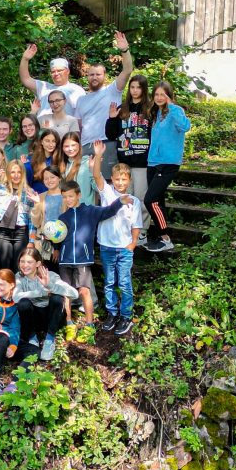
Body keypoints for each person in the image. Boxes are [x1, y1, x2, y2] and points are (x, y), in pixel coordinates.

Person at [54, 180, 133, 328]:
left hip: (83, 260)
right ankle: (69, 322)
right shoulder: (63, 218)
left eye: (70, 196)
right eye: (64, 197)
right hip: (65, 260)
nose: (68, 200)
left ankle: (89, 324)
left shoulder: (90, 211)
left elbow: (108, 211)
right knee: (66, 292)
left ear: (79, 195)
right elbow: (58, 237)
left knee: (84, 291)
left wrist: (120, 201)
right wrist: (55, 246)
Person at [92, 141, 143, 336]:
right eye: (117, 179)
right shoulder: (107, 194)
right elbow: (96, 175)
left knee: (124, 283)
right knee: (109, 282)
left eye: (124, 179)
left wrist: (133, 244)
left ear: (128, 180)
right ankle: (112, 313)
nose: (120, 183)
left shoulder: (134, 202)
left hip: (124, 248)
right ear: (112, 179)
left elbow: (136, 225)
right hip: (106, 247)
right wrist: (98, 155)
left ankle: (126, 316)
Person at [75, 32, 133, 174]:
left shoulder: (113, 90)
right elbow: (79, 127)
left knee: (107, 185)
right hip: (85, 147)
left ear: (104, 75)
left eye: (98, 74)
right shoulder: (81, 100)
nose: (94, 77)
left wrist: (124, 50)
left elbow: (127, 71)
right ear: (87, 76)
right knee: (86, 188)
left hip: (107, 143)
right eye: (91, 74)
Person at [144, 81, 190, 253]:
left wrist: (171, 106)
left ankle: (166, 238)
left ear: (169, 95)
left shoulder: (175, 111)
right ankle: (160, 237)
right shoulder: (156, 114)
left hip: (168, 163)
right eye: (156, 94)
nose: (159, 97)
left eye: (163, 94)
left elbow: (185, 126)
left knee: (149, 200)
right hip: (153, 163)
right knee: (158, 201)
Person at [14, 249, 77, 362]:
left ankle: (49, 339)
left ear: (38, 263)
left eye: (29, 262)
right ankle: (32, 338)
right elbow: (15, 297)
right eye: (22, 261)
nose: (24, 265)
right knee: (23, 303)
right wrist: (42, 292)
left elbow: (74, 293)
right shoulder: (19, 277)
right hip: (33, 319)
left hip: (51, 317)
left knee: (57, 298)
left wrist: (50, 286)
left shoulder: (51, 275)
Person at [105, 73, 152, 200]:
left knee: (142, 199)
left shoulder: (150, 109)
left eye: (138, 87)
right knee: (125, 199)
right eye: (132, 87)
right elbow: (111, 135)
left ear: (144, 89)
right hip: (124, 161)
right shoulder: (122, 109)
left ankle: (142, 221)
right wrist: (112, 118)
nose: (135, 90)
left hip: (143, 162)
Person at [19, 45, 85, 118]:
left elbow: (83, 115)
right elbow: (25, 79)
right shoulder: (43, 87)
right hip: (43, 128)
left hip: (67, 128)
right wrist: (25, 59)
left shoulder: (76, 90)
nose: (56, 74)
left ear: (67, 71)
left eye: (59, 71)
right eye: (53, 72)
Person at [0, 270, 23, 399]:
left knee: (34, 351)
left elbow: (14, 327)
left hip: (5, 340)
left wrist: (13, 345)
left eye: (1, 284)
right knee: (2, 337)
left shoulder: (14, 304)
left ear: (11, 285)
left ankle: (14, 384)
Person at [58, 133, 94, 203]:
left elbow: (97, 187)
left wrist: (94, 170)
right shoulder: (61, 165)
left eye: (73, 145)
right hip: (68, 209)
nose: (70, 149)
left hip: (85, 209)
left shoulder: (87, 162)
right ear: (62, 148)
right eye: (66, 146)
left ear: (79, 146)